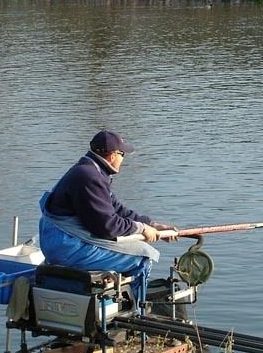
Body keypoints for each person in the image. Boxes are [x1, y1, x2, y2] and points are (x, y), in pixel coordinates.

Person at [38, 130, 176, 306]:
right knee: (142, 257)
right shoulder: (89, 177)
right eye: (122, 154)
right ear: (112, 155)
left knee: (133, 248)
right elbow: (107, 226)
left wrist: (153, 225)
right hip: (66, 247)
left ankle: (115, 303)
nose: (123, 159)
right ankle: (134, 314)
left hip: (62, 242)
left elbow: (116, 209)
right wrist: (141, 229)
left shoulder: (89, 170)